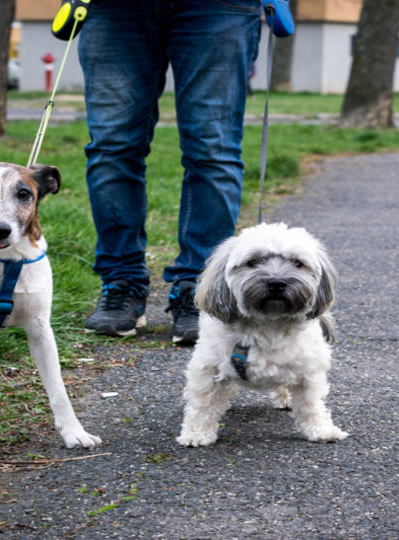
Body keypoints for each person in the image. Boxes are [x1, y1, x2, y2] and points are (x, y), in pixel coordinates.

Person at [77, 1, 262, 345]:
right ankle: (121, 283)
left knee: (213, 149)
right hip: (113, 8)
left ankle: (201, 292)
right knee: (112, 146)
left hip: (221, 6)